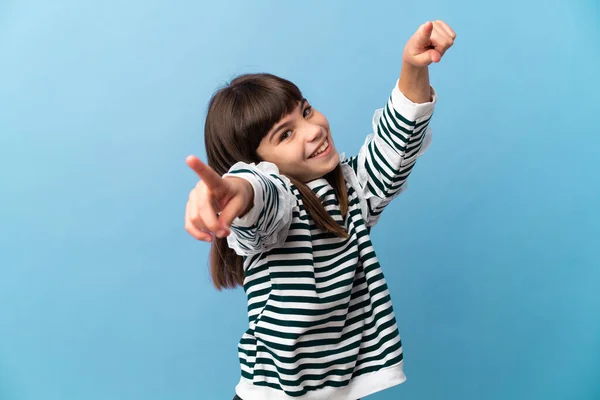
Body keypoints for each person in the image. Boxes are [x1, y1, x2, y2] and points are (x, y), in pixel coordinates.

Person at [184, 20, 456, 400]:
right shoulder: (275, 208)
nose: (313, 130)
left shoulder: (350, 191)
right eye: (285, 134)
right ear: (255, 161)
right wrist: (236, 190)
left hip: (339, 391)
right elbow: (260, 195)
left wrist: (413, 67)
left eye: (306, 112)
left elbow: (395, 147)